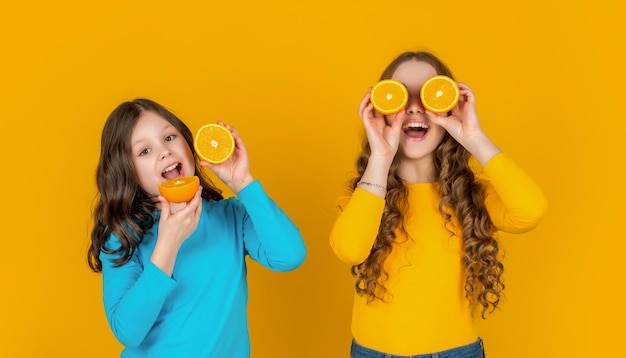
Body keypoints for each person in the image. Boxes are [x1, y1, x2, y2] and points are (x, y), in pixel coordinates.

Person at [329, 50, 548, 358]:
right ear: (381, 108)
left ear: (448, 107)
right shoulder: (363, 193)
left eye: (430, 94)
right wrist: (380, 156)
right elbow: (350, 249)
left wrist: (472, 135)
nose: (416, 107)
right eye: (400, 96)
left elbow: (531, 211)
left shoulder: (474, 195)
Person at [88, 98, 306, 357]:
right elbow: (128, 332)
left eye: (169, 137)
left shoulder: (231, 216)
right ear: (128, 172)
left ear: (188, 144)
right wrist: (168, 245)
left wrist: (242, 182)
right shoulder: (122, 236)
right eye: (144, 151)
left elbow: (290, 256)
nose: (164, 151)